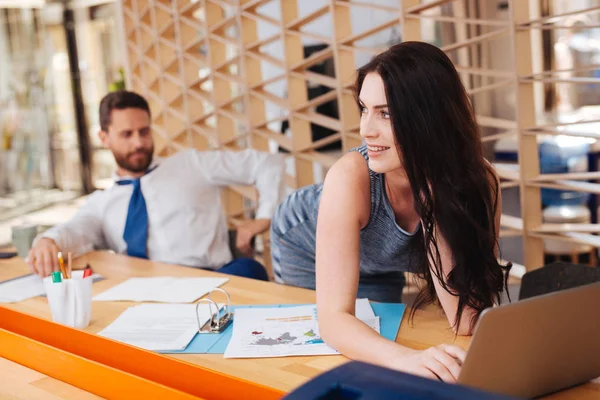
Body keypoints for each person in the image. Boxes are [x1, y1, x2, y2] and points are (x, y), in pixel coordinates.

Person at [270, 42, 510, 382]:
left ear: (430, 118)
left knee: (384, 342)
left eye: (385, 113)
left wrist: (434, 204)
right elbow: (333, 320)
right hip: (302, 240)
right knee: (329, 362)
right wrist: (406, 360)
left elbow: (467, 319)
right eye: (364, 109)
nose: (367, 130)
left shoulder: (480, 183)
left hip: (380, 259)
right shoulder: (349, 174)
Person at [29, 90, 284, 281]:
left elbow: (268, 164)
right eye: (127, 135)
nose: (139, 143)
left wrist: (263, 217)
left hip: (213, 280)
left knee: (250, 270)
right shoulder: (102, 203)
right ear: (104, 138)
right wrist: (47, 241)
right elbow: (75, 230)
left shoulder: (191, 164)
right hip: (145, 292)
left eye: (144, 131)